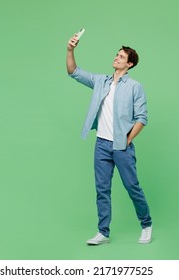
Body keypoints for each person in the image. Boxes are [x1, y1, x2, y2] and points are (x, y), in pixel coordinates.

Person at [66, 33, 153, 245]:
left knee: (132, 186)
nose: (116, 58)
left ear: (129, 64)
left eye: (121, 57)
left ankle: (146, 224)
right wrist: (70, 50)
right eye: (117, 54)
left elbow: (142, 118)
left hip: (122, 146)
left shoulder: (134, 87)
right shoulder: (100, 81)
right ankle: (103, 232)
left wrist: (128, 139)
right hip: (101, 145)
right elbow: (73, 72)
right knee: (102, 189)